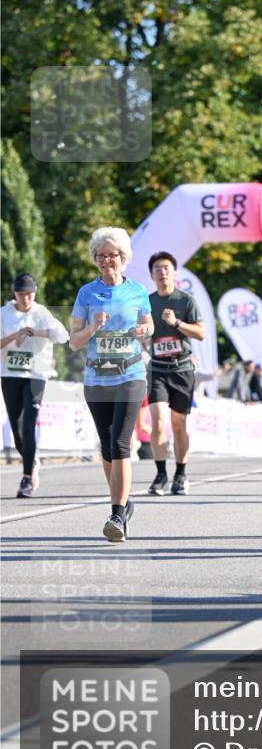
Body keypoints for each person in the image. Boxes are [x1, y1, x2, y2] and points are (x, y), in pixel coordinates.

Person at [69, 227, 153, 542]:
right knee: (106, 447)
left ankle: (116, 514)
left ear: (123, 257)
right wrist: (92, 326)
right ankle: (123, 502)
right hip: (97, 378)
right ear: (95, 260)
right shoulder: (86, 293)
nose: (107, 260)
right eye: (101, 256)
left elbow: (149, 323)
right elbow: (74, 343)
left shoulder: (138, 291)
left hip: (130, 374)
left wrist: (143, 331)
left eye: (112, 255)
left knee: (120, 443)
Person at [1, 272, 69, 497]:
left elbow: (62, 335)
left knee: (29, 423)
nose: (26, 299)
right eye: (21, 294)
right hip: (10, 374)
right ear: (15, 293)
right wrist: (15, 335)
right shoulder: (4, 313)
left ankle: (27, 477)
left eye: (30, 294)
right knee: (17, 428)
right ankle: (33, 460)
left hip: (36, 374)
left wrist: (33, 332)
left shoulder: (42, 313)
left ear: (35, 293)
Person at [145, 251, 205, 496]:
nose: (162, 272)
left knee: (178, 424)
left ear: (174, 272)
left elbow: (201, 333)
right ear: (152, 274)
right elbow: (140, 330)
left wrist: (177, 323)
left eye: (166, 267)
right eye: (157, 268)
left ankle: (181, 474)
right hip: (157, 369)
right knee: (158, 422)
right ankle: (160, 475)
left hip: (181, 369)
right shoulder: (147, 302)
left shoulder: (186, 300)